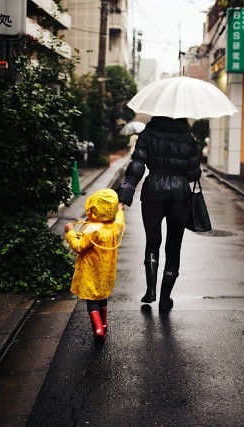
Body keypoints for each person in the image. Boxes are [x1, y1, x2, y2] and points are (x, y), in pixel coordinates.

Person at [115, 116, 202, 311]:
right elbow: (193, 173)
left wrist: (125, 194)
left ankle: (150, 289)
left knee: (152, 241)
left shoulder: (148, 133)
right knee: (173, 247)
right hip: (180, 195)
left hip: (152, 191)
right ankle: (165, 298)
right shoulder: (188, 137)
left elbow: (137, 165)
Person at [64, 189, 125, 343]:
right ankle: (104, 324)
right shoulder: (114, 226)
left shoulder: (92, 230)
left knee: (92, 300)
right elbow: (119, 218)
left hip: (91, 271)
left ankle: (97, 329)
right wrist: (119, 210)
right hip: (106, 273)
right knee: (102, 296)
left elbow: (78, 246)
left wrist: (70, 232)